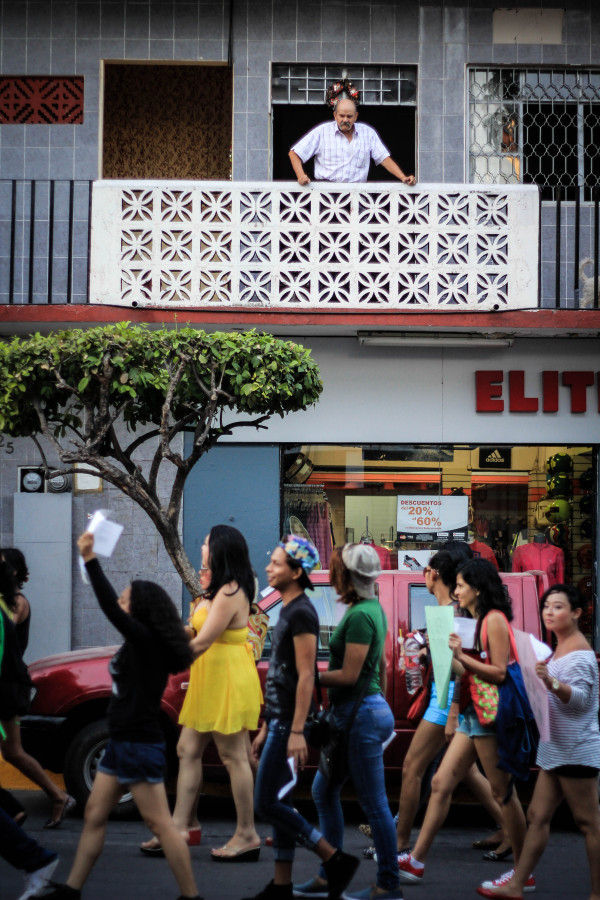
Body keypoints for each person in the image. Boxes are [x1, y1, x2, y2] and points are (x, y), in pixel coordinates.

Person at [36, 532, 201, 900]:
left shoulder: (145, 641)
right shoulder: (140, 643)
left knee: (160, 824)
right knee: (95, 813)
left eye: (126, 598)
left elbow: (109, 606)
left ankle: (192, 896)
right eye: (123, 597)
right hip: (120, 741)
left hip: (139, 744)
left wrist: (91, 559)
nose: (121, 602)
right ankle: (72, 889)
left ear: (140, 608)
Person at [397, 558, 527, 887]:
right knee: (441, 783)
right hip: (472, 712)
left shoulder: (493, 620)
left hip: (489, 713)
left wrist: (460, 656)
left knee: (502, 792)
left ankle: (524, 872)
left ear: (477, 589)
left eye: (460, 586)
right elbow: (463, 672)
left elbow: (497, 673)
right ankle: (415, 861)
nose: (456, 592)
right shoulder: (472, 619)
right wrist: (454, 703)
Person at [247, 535, 359, 900]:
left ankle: (333, 858)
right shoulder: (287, 608)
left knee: (266, 802)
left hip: (291, 724)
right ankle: (281, 886)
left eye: (277, 563)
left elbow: (307, 674)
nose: (269, 568)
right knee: (281, 801)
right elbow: (281, 674)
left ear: (296, 572)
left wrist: (295, 730)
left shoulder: (302, 613)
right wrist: (266, 725)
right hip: (278, 721)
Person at [141, 524, 263, 860]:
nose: (203, 547)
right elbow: (194, 629)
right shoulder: (215, 591)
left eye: (207, 543)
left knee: (233, 756)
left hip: (226, 677)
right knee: (187, 749)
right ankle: (181, 826)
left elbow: (206, 638)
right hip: (209, 676)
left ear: (220, 549)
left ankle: (247, 834)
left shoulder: (231, 592)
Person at [477, 584, 600, 900]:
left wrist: (549, 681)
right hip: (555, 747)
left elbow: (582, 702)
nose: (549, 611)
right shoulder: (557, 647)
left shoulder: (581, 654)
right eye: (546, 606)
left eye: (558, 606)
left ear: (576, 613)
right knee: (537, 817)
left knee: (588, 823)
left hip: (575, 748)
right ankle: (517, 885)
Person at [297, 543, 403, 900]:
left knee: (374, 804)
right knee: (325, 792)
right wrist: (379, 708)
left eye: (336, 569)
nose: (331, 575)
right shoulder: (372, 608)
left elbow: (349, 676)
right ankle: (331, 874)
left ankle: (388, 884)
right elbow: (382, 668)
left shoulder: (360, 615)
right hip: (363, 714)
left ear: (348, 576)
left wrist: (308, 674)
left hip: (358, 717)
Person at [0, 553, 75, 829]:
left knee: (13, 750)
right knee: (12, 751)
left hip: (6, 687)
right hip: (7, 685)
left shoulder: (16, 603)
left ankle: (21, 808)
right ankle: (56, 797)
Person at [289, 81, 416, 186]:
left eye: (349, 116)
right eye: (342, 116)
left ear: (356, 116)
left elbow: (383, 158)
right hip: (326, 195)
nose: (345, 120)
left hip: (357, 195)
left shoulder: (368, 133)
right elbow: (294, 153)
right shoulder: (322, 132)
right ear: (335, 115)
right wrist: (301, 176)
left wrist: (402, 177)